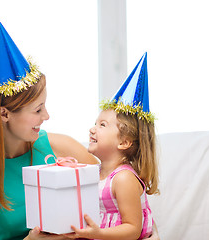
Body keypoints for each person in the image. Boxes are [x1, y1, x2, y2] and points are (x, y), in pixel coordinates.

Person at [0, 20, 159, 240]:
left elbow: (116, 200)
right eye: (38, 109)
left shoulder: (61, 147)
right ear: (4, 114)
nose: (46, 116)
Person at [66, 53, 159, 240]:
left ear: (124, 142)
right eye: (95, 123)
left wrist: (98, 233)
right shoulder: (98, 172)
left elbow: (133, 229)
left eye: (102, 125)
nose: (92, 129)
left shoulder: (123, 179)